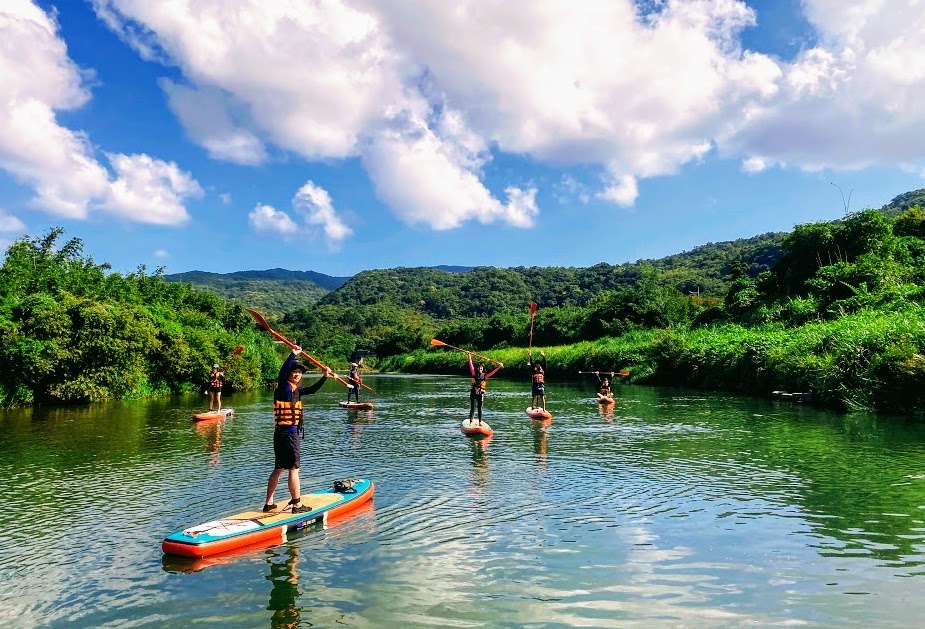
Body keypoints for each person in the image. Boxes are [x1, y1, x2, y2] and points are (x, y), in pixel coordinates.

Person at [263, 348, 331, 513]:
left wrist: (325, 376)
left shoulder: (297, 390)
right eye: (294, 372)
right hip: (288, 435)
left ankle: (269, 503)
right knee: (294, 469)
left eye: (299, 372)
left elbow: (313, 390)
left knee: (278, 468)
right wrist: (293, 354)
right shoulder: (284, 387)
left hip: (281, 434)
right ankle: (297, 505)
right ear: (289, 374)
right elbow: (282, 371)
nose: (296, 374)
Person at [467, 352, 502, 424]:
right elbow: (471, 365)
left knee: (480, 408)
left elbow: (492, 372)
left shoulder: (485, 376)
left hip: (480, 394)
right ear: (477, 368)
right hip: (473, 393)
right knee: (473, 408)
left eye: (481, 368)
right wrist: (469, 356)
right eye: (479, 367)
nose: (480, 368)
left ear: (483, 369)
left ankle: (480, 422)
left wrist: (498, 367)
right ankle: (471, 421)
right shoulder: (474, 374)